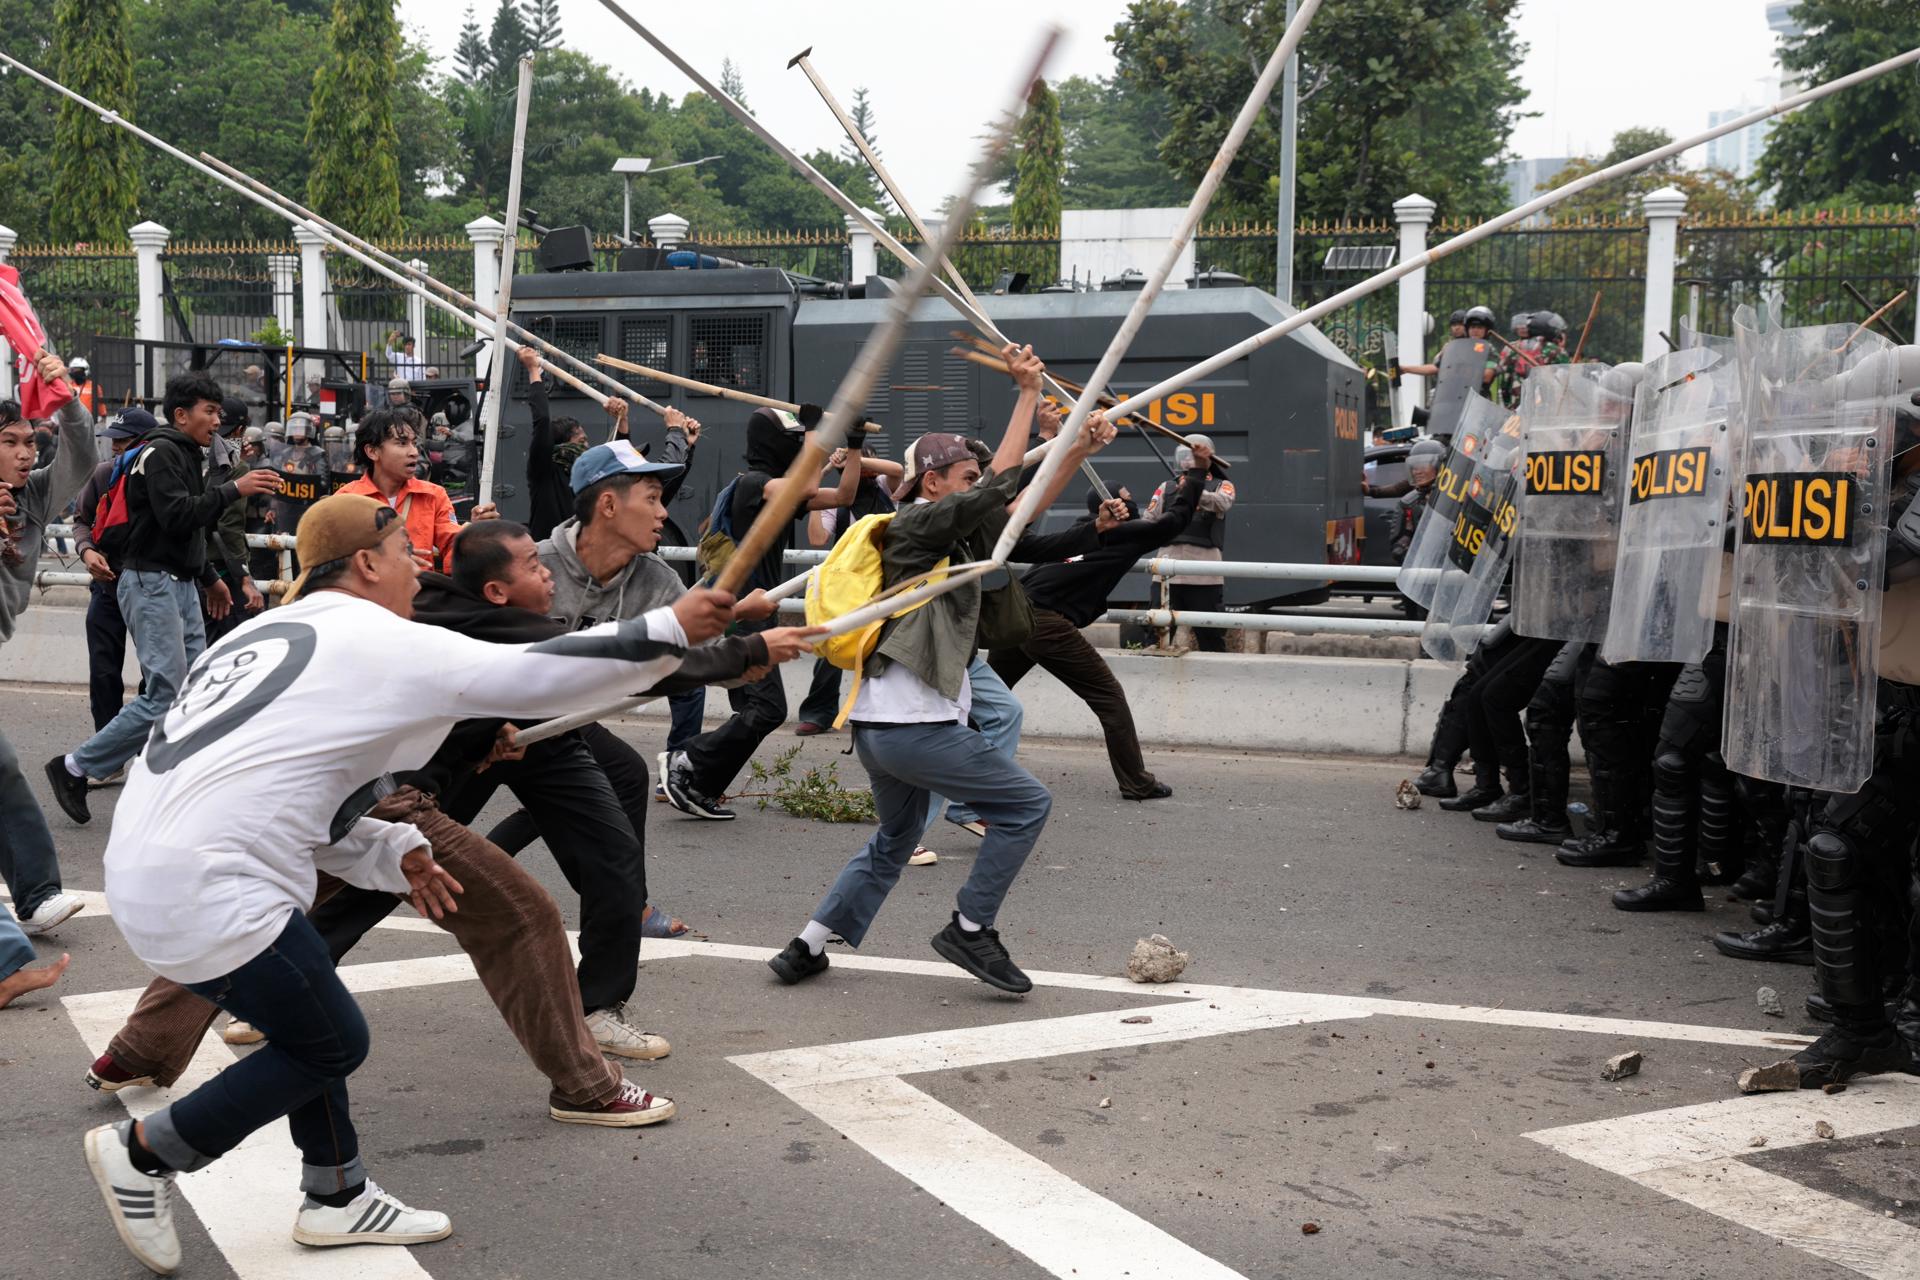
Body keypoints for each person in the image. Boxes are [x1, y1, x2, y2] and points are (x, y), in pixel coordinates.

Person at [80, 491, 729, 1274]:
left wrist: (394, 851)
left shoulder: (264, 633)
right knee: (332, 1044)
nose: (419, 565)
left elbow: (303, 790)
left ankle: (337, 1196)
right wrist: (676, 630)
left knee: (310, 1021)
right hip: (218, 884)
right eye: (403, 551)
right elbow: (533, 674)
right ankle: (146, 1154)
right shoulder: (371, 634)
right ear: (364, 563)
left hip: (159, 866)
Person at [766, 345, 1061, 995]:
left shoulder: (944, 538)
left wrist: (1071, 446)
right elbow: (998, 487)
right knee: (1027, 806)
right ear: (933, 482)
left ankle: (807, 946)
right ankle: (972, 928)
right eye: (963, 477)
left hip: (881, 729)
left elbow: (1014, 507)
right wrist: (1025, 395)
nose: (973, 486)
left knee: (896, 838)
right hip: (915, 728)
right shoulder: (914, 528)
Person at [43, 372, 280, 825]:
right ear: (181, 414)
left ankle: (177, 777)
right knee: (167, 690)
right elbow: (176, 516)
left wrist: (210, 578)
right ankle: (75, 767)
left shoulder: (186, 452)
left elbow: (186, 529)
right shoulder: (163, 451)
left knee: (191, 688)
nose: (216, 420)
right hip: (149, 582)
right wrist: (234, 489)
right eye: (208, 412)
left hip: (178, 580)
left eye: (217, 411)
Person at [661, 403, 867, 819]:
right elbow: (805, 489)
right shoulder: (754, 485)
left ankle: (700, 785)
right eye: (794, 442)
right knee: (768, 709)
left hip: (758, 613)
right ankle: (688, 763)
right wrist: (814, 430)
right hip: (744, 614)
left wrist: (856, 444)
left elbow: (844, 496)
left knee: (751, 709)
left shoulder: (776, 491)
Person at [988, 458, 1206, 801]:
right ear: (1106, 508)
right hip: (1045, 622)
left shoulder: (1077, 532)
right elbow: (1172, 522)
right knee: (1109, 697)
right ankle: (1136, 782)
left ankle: (940, 757)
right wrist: (1195, 476)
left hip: (1018, 614)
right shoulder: (1123, 532)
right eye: (1123, 498)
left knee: (990, 695)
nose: (1130, 503)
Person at [0, 352, 94, 942]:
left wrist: (65, 396)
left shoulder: (31, 499)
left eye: (31, 441)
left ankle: (35, 897)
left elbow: (83, 459)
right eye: (10, 442)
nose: (25, 452)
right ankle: (36, 896)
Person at [516, 344, 700, 541]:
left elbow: (623, 467)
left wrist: (624, 423)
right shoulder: (545, 472)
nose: (662, 513)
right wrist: (533, 370)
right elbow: (541, 421)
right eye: (582, 441)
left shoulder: (592, 480)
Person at [796, 449, 905, 735]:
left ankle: (884, 713)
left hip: (888, 576)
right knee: (832, 641)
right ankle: (819, 712)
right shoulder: (835, 500)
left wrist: (856, 458)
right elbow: (817, 538)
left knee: (886, 644)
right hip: (849, 583)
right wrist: (824, 478)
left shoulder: (884, 486)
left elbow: (896, 469)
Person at [71, 409, 154, 738]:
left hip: (151, 590)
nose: (116, 446)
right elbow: (81, 521)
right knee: (104, 672)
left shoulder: (162, 478)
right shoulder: (103, 475)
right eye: (113, 439)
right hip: (107, 590)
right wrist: (87, 551)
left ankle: (144, 744)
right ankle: (108, 746)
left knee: (156, 673)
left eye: (124, 439)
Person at [337, 407, 498, 572]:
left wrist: (475, 535)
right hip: (363, 595)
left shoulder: (433, 496)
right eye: (401, 443)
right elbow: (332, 560)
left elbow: (452, 549)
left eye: (414, 443)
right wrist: (385, 558)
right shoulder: (346, 500)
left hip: (420, 594)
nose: (414, 452)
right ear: (372, 451)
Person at [1145, 434, 1233, 652]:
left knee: (1211, 635)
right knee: (1156, 633)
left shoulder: (1223, 485)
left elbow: (1223, 503)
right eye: (1185, 457)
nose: (1188, 462)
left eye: (1192, 458)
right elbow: (1149, 518)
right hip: (1165, 573)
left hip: (1204, 575)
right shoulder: (1166, 487)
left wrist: (1194, 490)